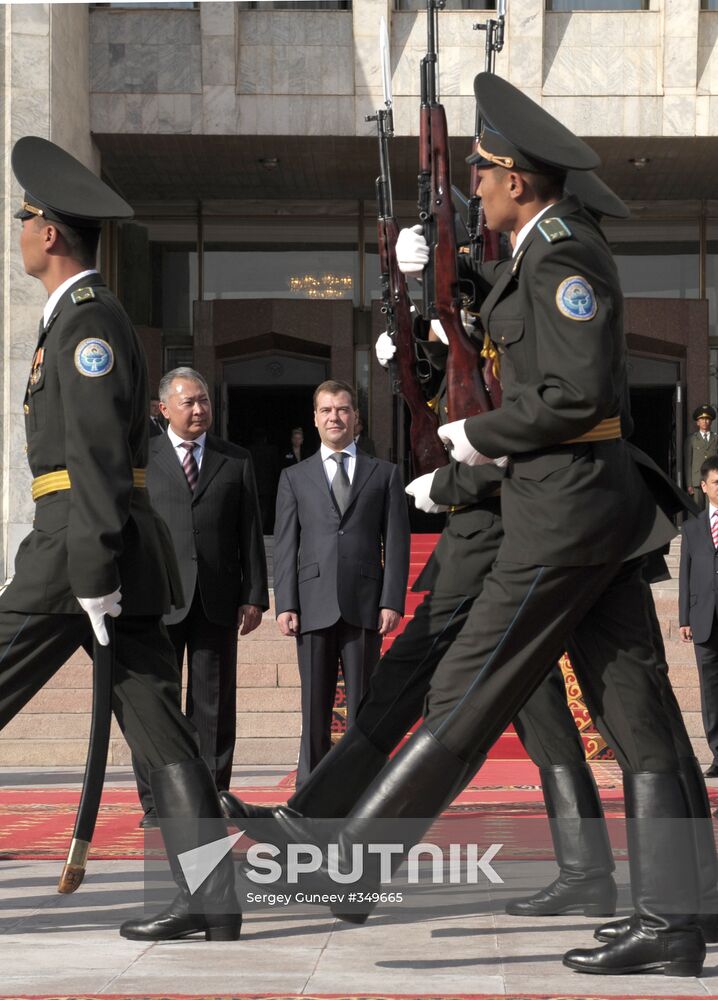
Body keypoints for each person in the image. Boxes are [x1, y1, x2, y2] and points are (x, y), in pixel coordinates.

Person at [229, 77, 706, 976]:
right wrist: (429, 283)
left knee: (464, 690)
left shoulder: (563, 258)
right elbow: (497, 322)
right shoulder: (539, 255)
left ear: (520, 181)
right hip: (584, 508)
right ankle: (683, 915)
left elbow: (575, 394)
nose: (475, 191)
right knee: (639, 713)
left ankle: (349, 866)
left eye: (484, 175)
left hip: (559, 513)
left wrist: (473, 437)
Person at [1, 136, 241, 942]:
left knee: (157, 730)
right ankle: (213, 897)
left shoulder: (87, 324)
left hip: (79, 550)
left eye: (24, 217)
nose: (19, 229)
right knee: (162, 732)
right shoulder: (76, 319)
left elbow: (99, 457)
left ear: (51, 235)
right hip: (102, 553)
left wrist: (93, 568)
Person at [132, 366, 268, 827]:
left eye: (204, 400)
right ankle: (156, 801)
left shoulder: (236, 459)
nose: (198, 409)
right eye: (188, 402)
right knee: (156, 704)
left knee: (213, 703)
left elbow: (249, 531)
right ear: (163, 408)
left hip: (216, 598)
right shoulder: (143, 457)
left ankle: (212, 797)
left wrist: (254, 595)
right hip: (157, 598)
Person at [273, 379, 410, 786]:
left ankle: (362, 785)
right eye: (327, 410)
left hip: (366, 602)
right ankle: (310, 789)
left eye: (343, 409)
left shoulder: (384, 473)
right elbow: (285, 545)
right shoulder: (294, 477)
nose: (336, 417)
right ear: (315, 420)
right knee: (313, 704)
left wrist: (392, 600)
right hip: (312, 603)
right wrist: (286, 603)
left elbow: (397, 542)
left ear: (356, 418)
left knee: (364, 704)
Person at [680, 454, 718, 778]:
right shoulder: (692, 527)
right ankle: (717, 754)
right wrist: (683, 618)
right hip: (704, 620)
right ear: (704, 486)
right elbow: (685, 573)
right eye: (717, 482)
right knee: (710, 691)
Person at [684, 405, 717, 512]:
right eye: (702, 419)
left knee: (712, 508)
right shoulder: (692, 439)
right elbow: (688, 463)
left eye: (707, 419)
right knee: (697, 510)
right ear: (697, 422)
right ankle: (698, 529)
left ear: (711, 422)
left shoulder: (716, 438)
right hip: (697, 481)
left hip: (712, 479)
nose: (705, 421)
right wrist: (689, 484)